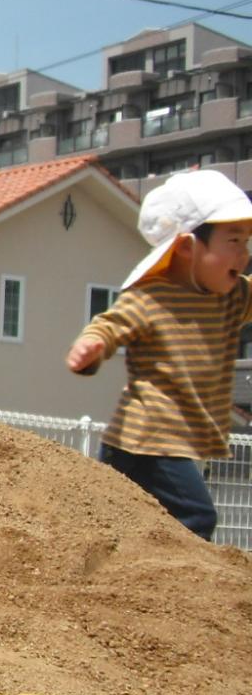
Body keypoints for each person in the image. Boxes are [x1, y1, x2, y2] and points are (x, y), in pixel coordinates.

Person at [66, 167, 252, 543]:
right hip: (147, 436)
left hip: (171, 441)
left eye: (247, 241)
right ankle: (179, 587)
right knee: (196, 515)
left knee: (126, 521)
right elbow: (111, 323)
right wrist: (93, 347)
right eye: (233, 240)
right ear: (187, 247)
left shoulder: (232, 297)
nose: (244, 254)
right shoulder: (153, 297)